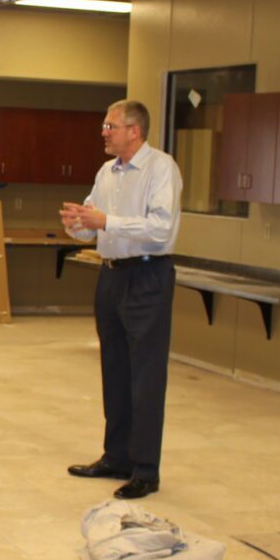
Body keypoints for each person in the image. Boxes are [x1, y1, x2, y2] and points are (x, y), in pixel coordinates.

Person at [60, 100, 182, 500]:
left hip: (148, 276)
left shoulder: (161, 168)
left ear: (134, 131)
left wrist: (106, 221)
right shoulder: (106, 172)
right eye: (104, 125)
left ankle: (145, 469)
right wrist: (77, 224)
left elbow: (161, 228)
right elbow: (92, 227)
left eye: (110, 126)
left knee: (145, 375)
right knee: (114, 369)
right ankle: (117, 457)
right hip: (111, 275)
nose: (104, 132)